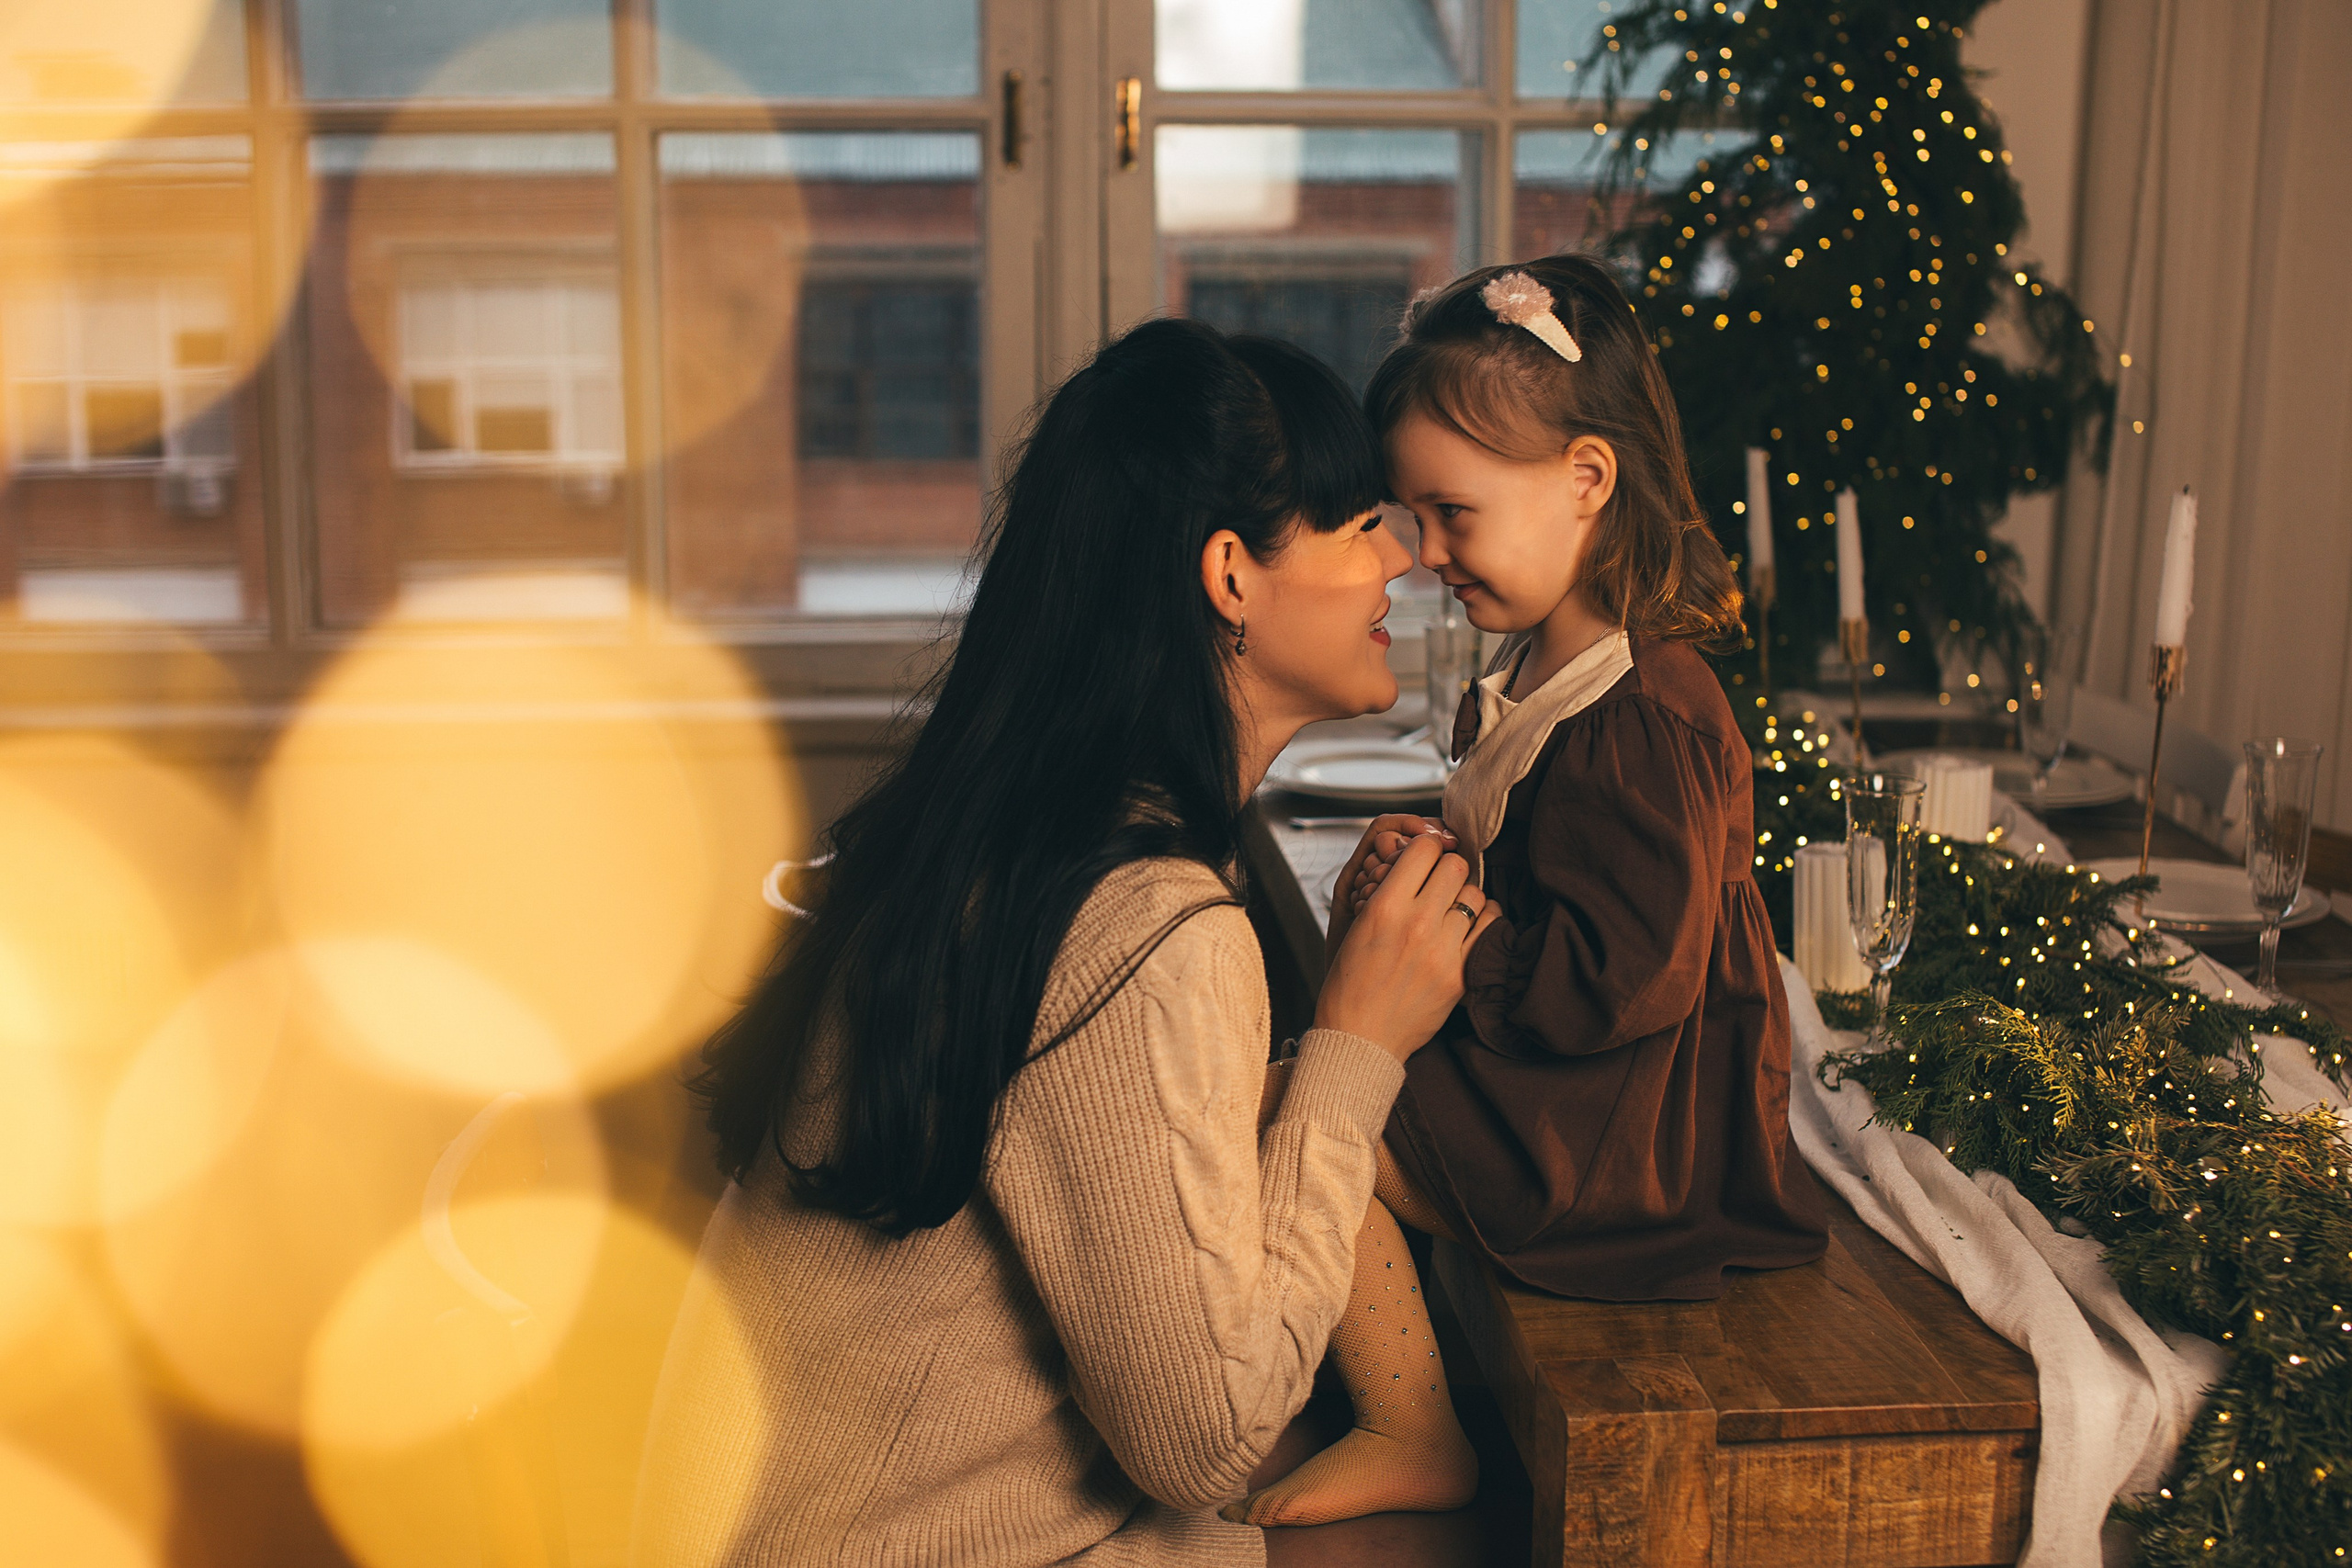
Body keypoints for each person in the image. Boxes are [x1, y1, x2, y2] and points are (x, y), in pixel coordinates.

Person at [630, 316, 1501, 1567]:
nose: (1401, 563)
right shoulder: (1144, 921)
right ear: (1230, 576)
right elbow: (1208, 1442)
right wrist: (1358, 1046)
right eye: (1361, 524)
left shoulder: (1036, 831)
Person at [1227, 255, 1827, 1529]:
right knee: (1298, 1086)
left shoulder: (1645, 712)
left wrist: (1466, 929)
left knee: (1306, 1110)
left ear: (1587, 479)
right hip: (1567, 1087)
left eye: (1453, 514)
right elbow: (1542, 873)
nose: (1426, 554)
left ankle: (1411, 1428)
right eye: (1412, 518)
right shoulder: (1550, 669)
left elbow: (1628, 975)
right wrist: (1434, 867)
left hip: (1618, 1136)